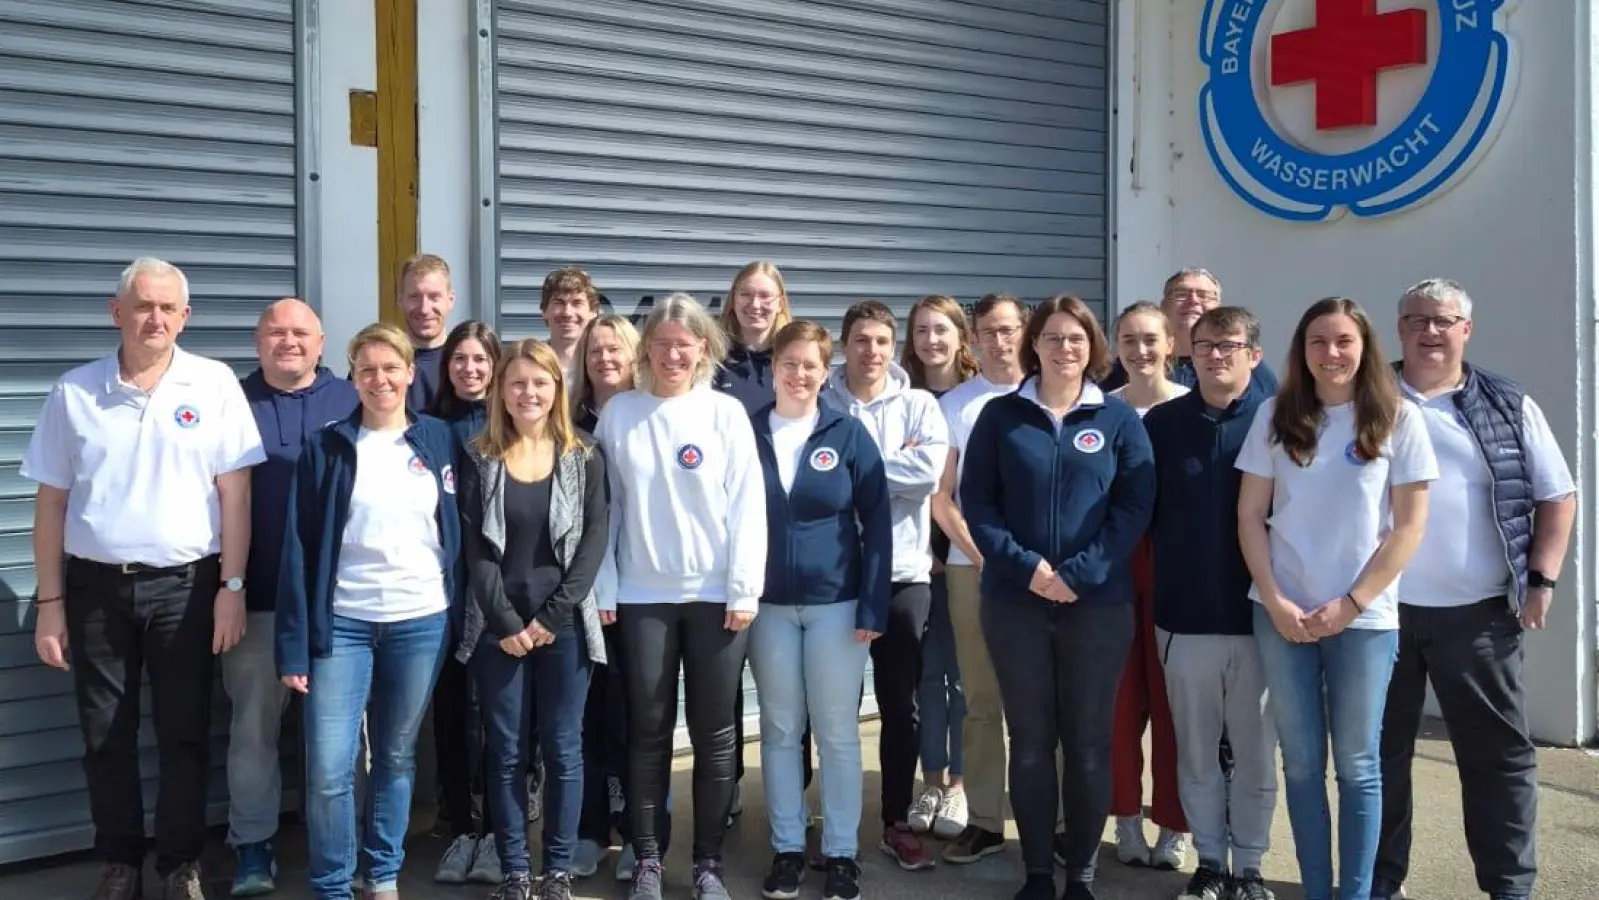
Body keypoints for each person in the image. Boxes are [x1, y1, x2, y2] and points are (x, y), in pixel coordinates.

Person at [24, 258, 266, 900]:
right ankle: (120, 863)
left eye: (167, 308)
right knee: (105, 735)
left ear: (185, 317)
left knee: (185, 734)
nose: (154, 318)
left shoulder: (213, 385)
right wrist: (49, 603)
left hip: (188, 588)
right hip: (95, 592)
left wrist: (232, 589)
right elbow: (50, 505)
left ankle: (180, 864)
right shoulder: (74, 392)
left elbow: (235, 497)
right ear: (116, 312)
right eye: (142, 306)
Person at [1374, 279, 1576, 900]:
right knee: (1376, 761)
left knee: (1498, 758)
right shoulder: (1363, 396)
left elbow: (1556, 494)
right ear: (1399, 327)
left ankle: (1509, 888)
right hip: (1378, 613)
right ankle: (1379, 883)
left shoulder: (1507, 402)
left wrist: (1542, 577)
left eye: (1444, 320)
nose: (1429, 331)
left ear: (1467, 329)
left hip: (1480, 616)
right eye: (1416, 320)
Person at [1236, 297, 1437, 900]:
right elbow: (1250, 516)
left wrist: (1349, 604)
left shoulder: (1398, 418)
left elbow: (1408, 529)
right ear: (1302, 350)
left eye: (1344, 340)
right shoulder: (1275, 414)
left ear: (1364, 347)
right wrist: (1273, 599)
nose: (1331, 353)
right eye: (1318, 341)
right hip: (1283, 614)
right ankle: (1315, 890)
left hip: (1365, 619)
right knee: (1300, 765)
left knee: (1358, 766)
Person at [960, 293, 1156, 900]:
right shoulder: (1000, 416)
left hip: (1097, 607)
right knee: (1031, 739)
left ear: (1092, 346)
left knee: (1090, 742)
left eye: (1075, 338)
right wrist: (1030, 570)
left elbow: (1134, 506)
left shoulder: (1117, 419)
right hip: (1015, 603)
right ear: (1034, 345)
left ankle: (1084, 877)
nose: (1064, 348)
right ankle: (1039, 874)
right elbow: (979, 504)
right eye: (1052, 337)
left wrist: (1081, 572)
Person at [276, 322, 463, 900]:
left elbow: (462, 532)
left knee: (396, 755)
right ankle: (333, 884)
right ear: (352, 377)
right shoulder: (327, 446)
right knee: (330, 766)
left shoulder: (439, 440)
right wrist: (293, 644)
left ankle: (381, 873)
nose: (379, 379)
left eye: (391, 368)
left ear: (410, 373)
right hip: (344, 625)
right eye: (367, 369)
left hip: (421, 619)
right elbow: (298, 548)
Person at [594, 293, 767, 900]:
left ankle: (709, 863)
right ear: (647, 349)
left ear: (703, 348)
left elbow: (749, 507)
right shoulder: (619, 415)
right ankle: (647, 860)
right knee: (646, 729)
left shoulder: (724, 414)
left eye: (684, 343)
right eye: (661, 343)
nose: (672, 354)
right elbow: (606, 511)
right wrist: (606, 583)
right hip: (642, 595)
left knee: (716, 733)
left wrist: (744, 588)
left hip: (717, 595)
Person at [460, 339, 611, 900]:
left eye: (540, 383)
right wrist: (506, 622)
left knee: (563, 749)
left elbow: (594, 541)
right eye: (517, 382)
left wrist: (551, 616)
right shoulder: (480, 455)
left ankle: (557, 874)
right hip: (498, 628)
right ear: (501, 390)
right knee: (505, 751)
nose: (528, 393)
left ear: (557, 389)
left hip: (564, 625)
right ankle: (516, 872)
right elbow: (475, 547)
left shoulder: (585, 454)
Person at [750, 320, 892, 900]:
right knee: (780, 729)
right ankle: (787, 847)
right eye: (791, 363)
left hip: (837, 604)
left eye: (812, 365)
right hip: (766, 607)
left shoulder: (848, 434)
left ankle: (841, 853)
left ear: (824, 369)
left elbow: (878, 523)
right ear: (775, 365)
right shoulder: (749, 431)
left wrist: (873, 604)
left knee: (836, 733)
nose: (800, 374)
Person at [1143, 306, 1278, 900]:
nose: (1215, 355)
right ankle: (1211, 863)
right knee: (1194, 752)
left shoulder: (1283, 422)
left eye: (1228, 345)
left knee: (1254, 755)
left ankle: (1249, 866)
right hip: (1185, 620)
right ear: (1187, 354)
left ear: (1254, 353)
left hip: (1261, 621)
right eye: (1203, 346)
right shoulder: (1162, 424)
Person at [233, 298, 359, 895]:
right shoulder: (228, 401)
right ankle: (252, 848)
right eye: (276, 332)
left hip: (340, 606)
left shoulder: (352, 398)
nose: (289, 341)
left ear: (322, 340)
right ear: (259, 341)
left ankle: (338, 850)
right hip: (257, 598)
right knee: (253, 730)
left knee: (337, 737)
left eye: (300, 332)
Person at [822, 300, 950, 873]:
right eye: (859, 340)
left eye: (880, 341)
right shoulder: (820, 400)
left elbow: (926, 476)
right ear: (842, 345)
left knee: (901, 705)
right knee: (830, 708)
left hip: (903, 575)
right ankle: (833, 823)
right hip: (833, 577)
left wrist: (852, 467)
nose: (870, 351)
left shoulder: (919, 403)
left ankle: (895, 819)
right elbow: (810, 474)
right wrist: (883, 466)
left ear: (891, 346)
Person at [930, 293, 1026, 865]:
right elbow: (943, 499)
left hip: (1044, 577)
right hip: (975, 571)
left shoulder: (1049, 396)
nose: (999, 340)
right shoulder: (956, 405)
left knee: (1046, 702)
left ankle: (1056, 821)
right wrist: (987, 556)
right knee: (981, 698)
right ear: (973, 339)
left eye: (1009, 329)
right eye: (988, 331)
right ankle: (986, 821)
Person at [711, 261, 803, 829]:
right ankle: (732, 784)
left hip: (788, 540)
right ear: (733, 300)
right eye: (746, 294)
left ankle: (798, 790)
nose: (756, 304)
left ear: (781, 300)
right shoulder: (714, 362)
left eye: (766, 295)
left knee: (790, 685)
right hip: (726, 540)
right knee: (726, 679)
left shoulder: (797, 357)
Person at [569, 314, 658, 882]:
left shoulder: (653, 415)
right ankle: (588, 830)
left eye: (615, 348)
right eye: (596, 350)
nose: (605, 358)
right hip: (582, 592)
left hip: (646, 592)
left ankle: (641, 835)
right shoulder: (568, 420)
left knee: (640, 720)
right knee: (588, 718)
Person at [1106, 302, 1191, 870]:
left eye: (1150, 340)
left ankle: (1174, 824)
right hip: (1112, 568)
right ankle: (1126, 819)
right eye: (1129, 340)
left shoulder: (1189, 406)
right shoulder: (1101, 409)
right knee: (1118, 703)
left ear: (1170, 346)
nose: (1140, 351)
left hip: (1174, 568)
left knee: (1173, 705)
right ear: (1115, 347)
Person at [428, 320, 507, 885]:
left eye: (481, 359)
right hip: (443, 593)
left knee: (501, 722)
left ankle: (501, 835)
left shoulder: (514, 426)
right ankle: (460, 827)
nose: (470, 368)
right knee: (453, 718)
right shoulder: (429, 429)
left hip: (502, 595)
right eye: (460, 359)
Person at [901, 295, 977, 842]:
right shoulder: (902, 397)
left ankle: (960, 781)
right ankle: (930, 780)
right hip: (914, 562)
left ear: (960, 335)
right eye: (922, 330)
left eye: (941, 329)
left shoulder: (980, 399)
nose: (931, 340)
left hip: (965, 555)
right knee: (927, 677)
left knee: (965, 680)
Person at [1101, 268, 1279, 393]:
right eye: (1181, 294)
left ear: (1218, 307)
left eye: (1203, 295)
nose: (1193, 301)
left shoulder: (1242, 362)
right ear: (1163, 305)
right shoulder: (1133, 363)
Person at [396, 253, 458, 410]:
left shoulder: (469, 365)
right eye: (414, 297)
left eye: (434, 297)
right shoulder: (381, 364)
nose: (424, 309)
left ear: (450, 300)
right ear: (400, 301)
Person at [541, 267, 602, 381]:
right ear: (544, 311)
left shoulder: (603, 367)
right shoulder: (531, 363)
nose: (567, 313)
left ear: (593, 312)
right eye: (559, 303)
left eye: (577, 303)